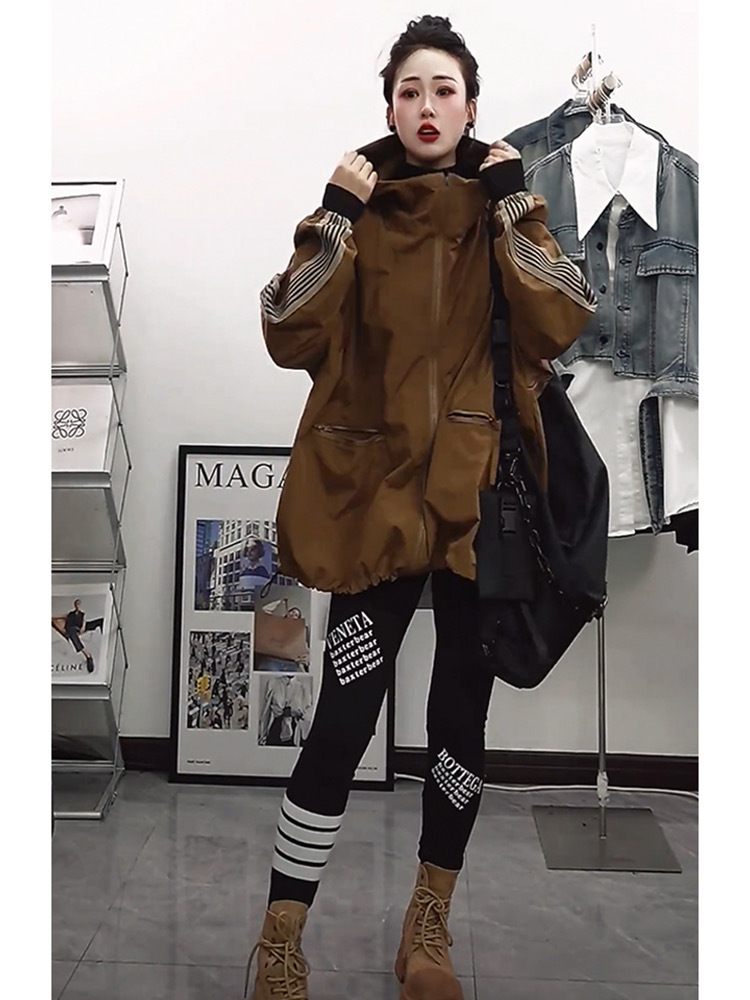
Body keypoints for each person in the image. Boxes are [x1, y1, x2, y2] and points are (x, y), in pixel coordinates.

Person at [246, 15, 596, 1000]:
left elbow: (565, 313)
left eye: (444, 90)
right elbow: (286, 328)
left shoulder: (504, 209)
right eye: (410, 91)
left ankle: (427, 929)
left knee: (457, 725)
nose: (427, 106)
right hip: (378, 506)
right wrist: (333, 215)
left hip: (479, 506)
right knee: (343, 718)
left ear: (472, 107)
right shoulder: (357, 213)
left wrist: (514, 204)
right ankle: (281, 936)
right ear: (390, 109)